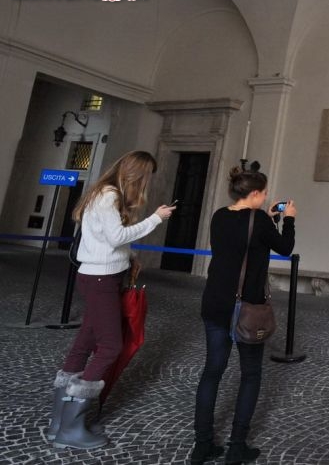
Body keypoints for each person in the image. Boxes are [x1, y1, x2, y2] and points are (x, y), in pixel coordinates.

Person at [47, 151, 175, 450]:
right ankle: (70, 427)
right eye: (147, 177)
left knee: (84, 344)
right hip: (101, 279)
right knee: (110, 346)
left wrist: (129, 257)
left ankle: (60, 422)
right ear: (137, 174)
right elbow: (116, 236)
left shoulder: (103, 194)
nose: (147, 183)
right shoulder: (108, 196)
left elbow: (103, 239)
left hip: (101, 276)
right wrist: (156, 218)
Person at [191, 164, 296, 465]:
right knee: (250, 375)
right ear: (253, 194)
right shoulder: (260, 221)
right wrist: (287, 220)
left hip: (214, 303)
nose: (265, 197)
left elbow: (243, 240)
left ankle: (202, 444)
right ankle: (237, 446)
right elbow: (285, 248)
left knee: (212, 372)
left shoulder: (219, 216)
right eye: (262, 193)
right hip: (246, 308)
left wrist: (268, 219)